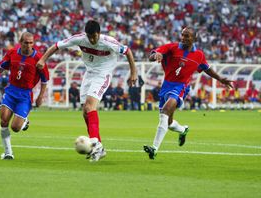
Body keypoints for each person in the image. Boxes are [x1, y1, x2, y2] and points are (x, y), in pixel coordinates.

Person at [37, 20, 137, 161]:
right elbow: (56, 46)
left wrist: (133, 72)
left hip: (103, 74)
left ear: (99, 33)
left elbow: (128, 51)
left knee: (90, 105)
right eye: (89, 37)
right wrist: (42, 59)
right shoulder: (80, 39)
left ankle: (95, 143)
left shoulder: (108, 42)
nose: (91, 40)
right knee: (85, 112)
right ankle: (99, 147)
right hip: (89, 74)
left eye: (94, 37)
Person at [143, 27, 233, 160]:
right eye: (183, 35)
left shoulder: (199, 55)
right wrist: (156, 55)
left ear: (194, 38)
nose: (183, 38)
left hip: (181, 87)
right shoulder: (172, 47)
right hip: (166, 86)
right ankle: (183, 129)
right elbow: (153, 55)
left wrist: (220, 79)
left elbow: (206, 69)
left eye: (187, 36)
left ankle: (154, 149)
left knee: (165, 112)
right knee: (168, 122)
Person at [0, 32, 49, 160]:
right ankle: (8, 153)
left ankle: (24, 120)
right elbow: (1, 66)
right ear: (20, 42)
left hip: (25, 95)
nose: (29, 45)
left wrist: (40, 96)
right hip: (11, 91)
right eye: (26, 42)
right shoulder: (12, 53)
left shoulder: (39, 59)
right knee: (3, 120)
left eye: (31, 43)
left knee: (15, 128)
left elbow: (45, 79)